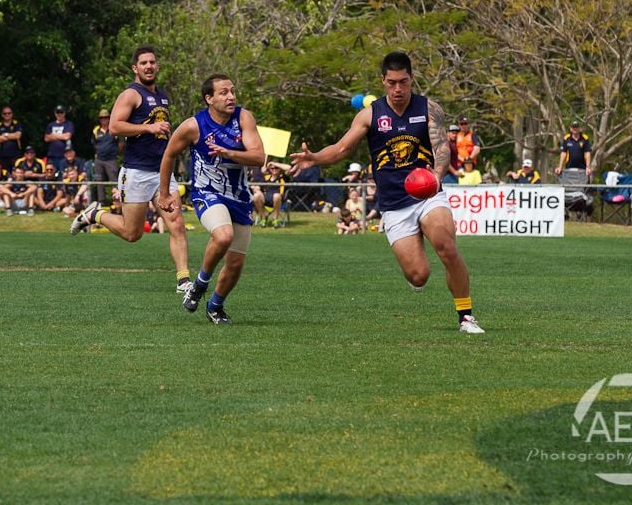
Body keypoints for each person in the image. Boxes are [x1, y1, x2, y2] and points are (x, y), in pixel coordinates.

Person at [290, 50, 485, 334]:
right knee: (419, 276)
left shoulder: (429, 108)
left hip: (428, 194)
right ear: (383, 81)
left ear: (411, 79)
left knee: (447, 246)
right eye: (392, 82)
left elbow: (442, 147)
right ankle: (415, 265)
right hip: (394, 204)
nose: (398, 89)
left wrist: (436, 174)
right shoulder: (369, 115)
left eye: (403, 82)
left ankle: (466, 316)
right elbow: (343, 148)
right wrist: (315, 158)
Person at [70, 46, 195, 295]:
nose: (148, 66)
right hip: (136, 172)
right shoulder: (130, 94)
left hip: (162, 172)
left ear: (157, 66)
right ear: (135, 68)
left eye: (152, 62)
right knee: (132, 233)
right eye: (143, 63)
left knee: (177, 224)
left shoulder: (163, 96)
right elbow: (115, 127)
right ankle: (95, 215)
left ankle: (183, 280)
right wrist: (149, 129)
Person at [157, 74, 265, 324]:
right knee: (223, 235)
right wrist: (163, 193)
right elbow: (169, 154)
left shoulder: (243, 117)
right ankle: (199, 284)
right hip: (207, 193)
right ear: (209, 98)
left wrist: (229, 152)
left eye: (233, 91)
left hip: (239, 197)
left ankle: (215, 306)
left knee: (236, 263)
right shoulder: (193, 125)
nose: (231, 97)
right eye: (224, 93)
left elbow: (259, 157)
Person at [92, 108, 121, 206]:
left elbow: (121, 143)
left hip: (111, 159)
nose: (104, 119)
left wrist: (116, 152)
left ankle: (117, 202)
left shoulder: (113, 128)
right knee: (99, 181)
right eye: (102, 118)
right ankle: (101, 202)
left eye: (106, 117)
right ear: (99, 119)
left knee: (114, 181)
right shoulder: (96, 130)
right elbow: (94, 144)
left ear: (109, 118)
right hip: (99, 159)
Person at [251, 160, 290, 227]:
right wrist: (256, 188)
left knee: (276, 196)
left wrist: (274, 163)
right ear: (270, 169)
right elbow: (256, 185)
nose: (274, 169)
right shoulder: (265, 177)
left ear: (279, 169)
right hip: (266, 199)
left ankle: (275, 219)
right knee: (256, 195)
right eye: (272, 168)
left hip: (279, 199)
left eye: (276, 168)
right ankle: (263, 218)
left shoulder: (282, 177)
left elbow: (289, 168)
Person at [44, 105, 75, 173]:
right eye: (57, 112)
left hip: (64, 156)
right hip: (52, 155)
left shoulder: (68, 124)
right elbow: (46, 138)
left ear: (64, 113)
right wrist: (61, 136)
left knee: (63, 174)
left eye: (61, 112)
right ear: (55, 113)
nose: (59, 114)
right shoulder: (50, 125)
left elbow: (67, 136)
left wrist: (53, 135)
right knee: (51, 174)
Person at [0, 105, 23, 171]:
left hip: (16, 154)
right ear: (2, 115)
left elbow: (18, 136)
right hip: (3, 155)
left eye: (9, 113)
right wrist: (12, 136)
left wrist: (5, 135)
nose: (7, 115)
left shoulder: (16, 124)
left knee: (16, 172)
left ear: (12, 114)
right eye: (5, 113)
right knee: (5, 174)